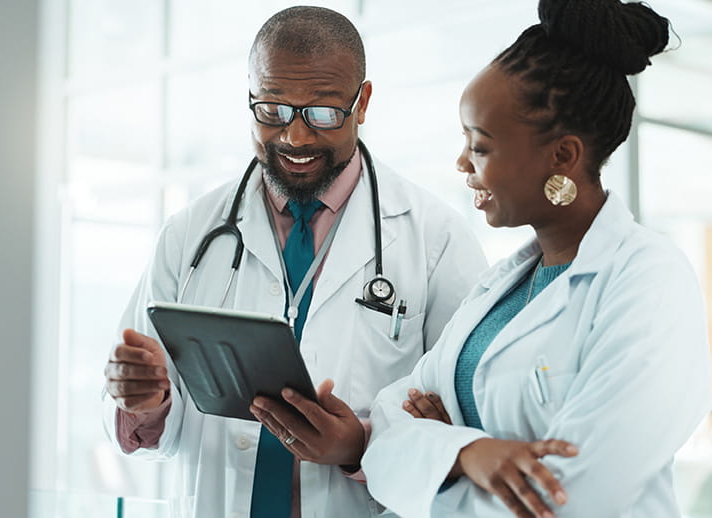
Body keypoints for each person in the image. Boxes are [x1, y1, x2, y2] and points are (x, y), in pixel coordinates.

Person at [101, 6, 487, 518]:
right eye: (273, 109)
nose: (295, 137)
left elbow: (467, 429)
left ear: (362, 102)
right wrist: (143, 402)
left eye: (323, 112)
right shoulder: (190, 234)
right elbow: (147, 418)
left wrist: (363, 445)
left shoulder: (436, 240)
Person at [360, 0, 712, 517]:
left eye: (480, 146)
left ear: (563, 156)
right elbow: (385, 433)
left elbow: (563, 500)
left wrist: (434, 459)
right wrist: (468, 451)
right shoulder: (503, 286)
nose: (462, 163)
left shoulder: (649, 282)